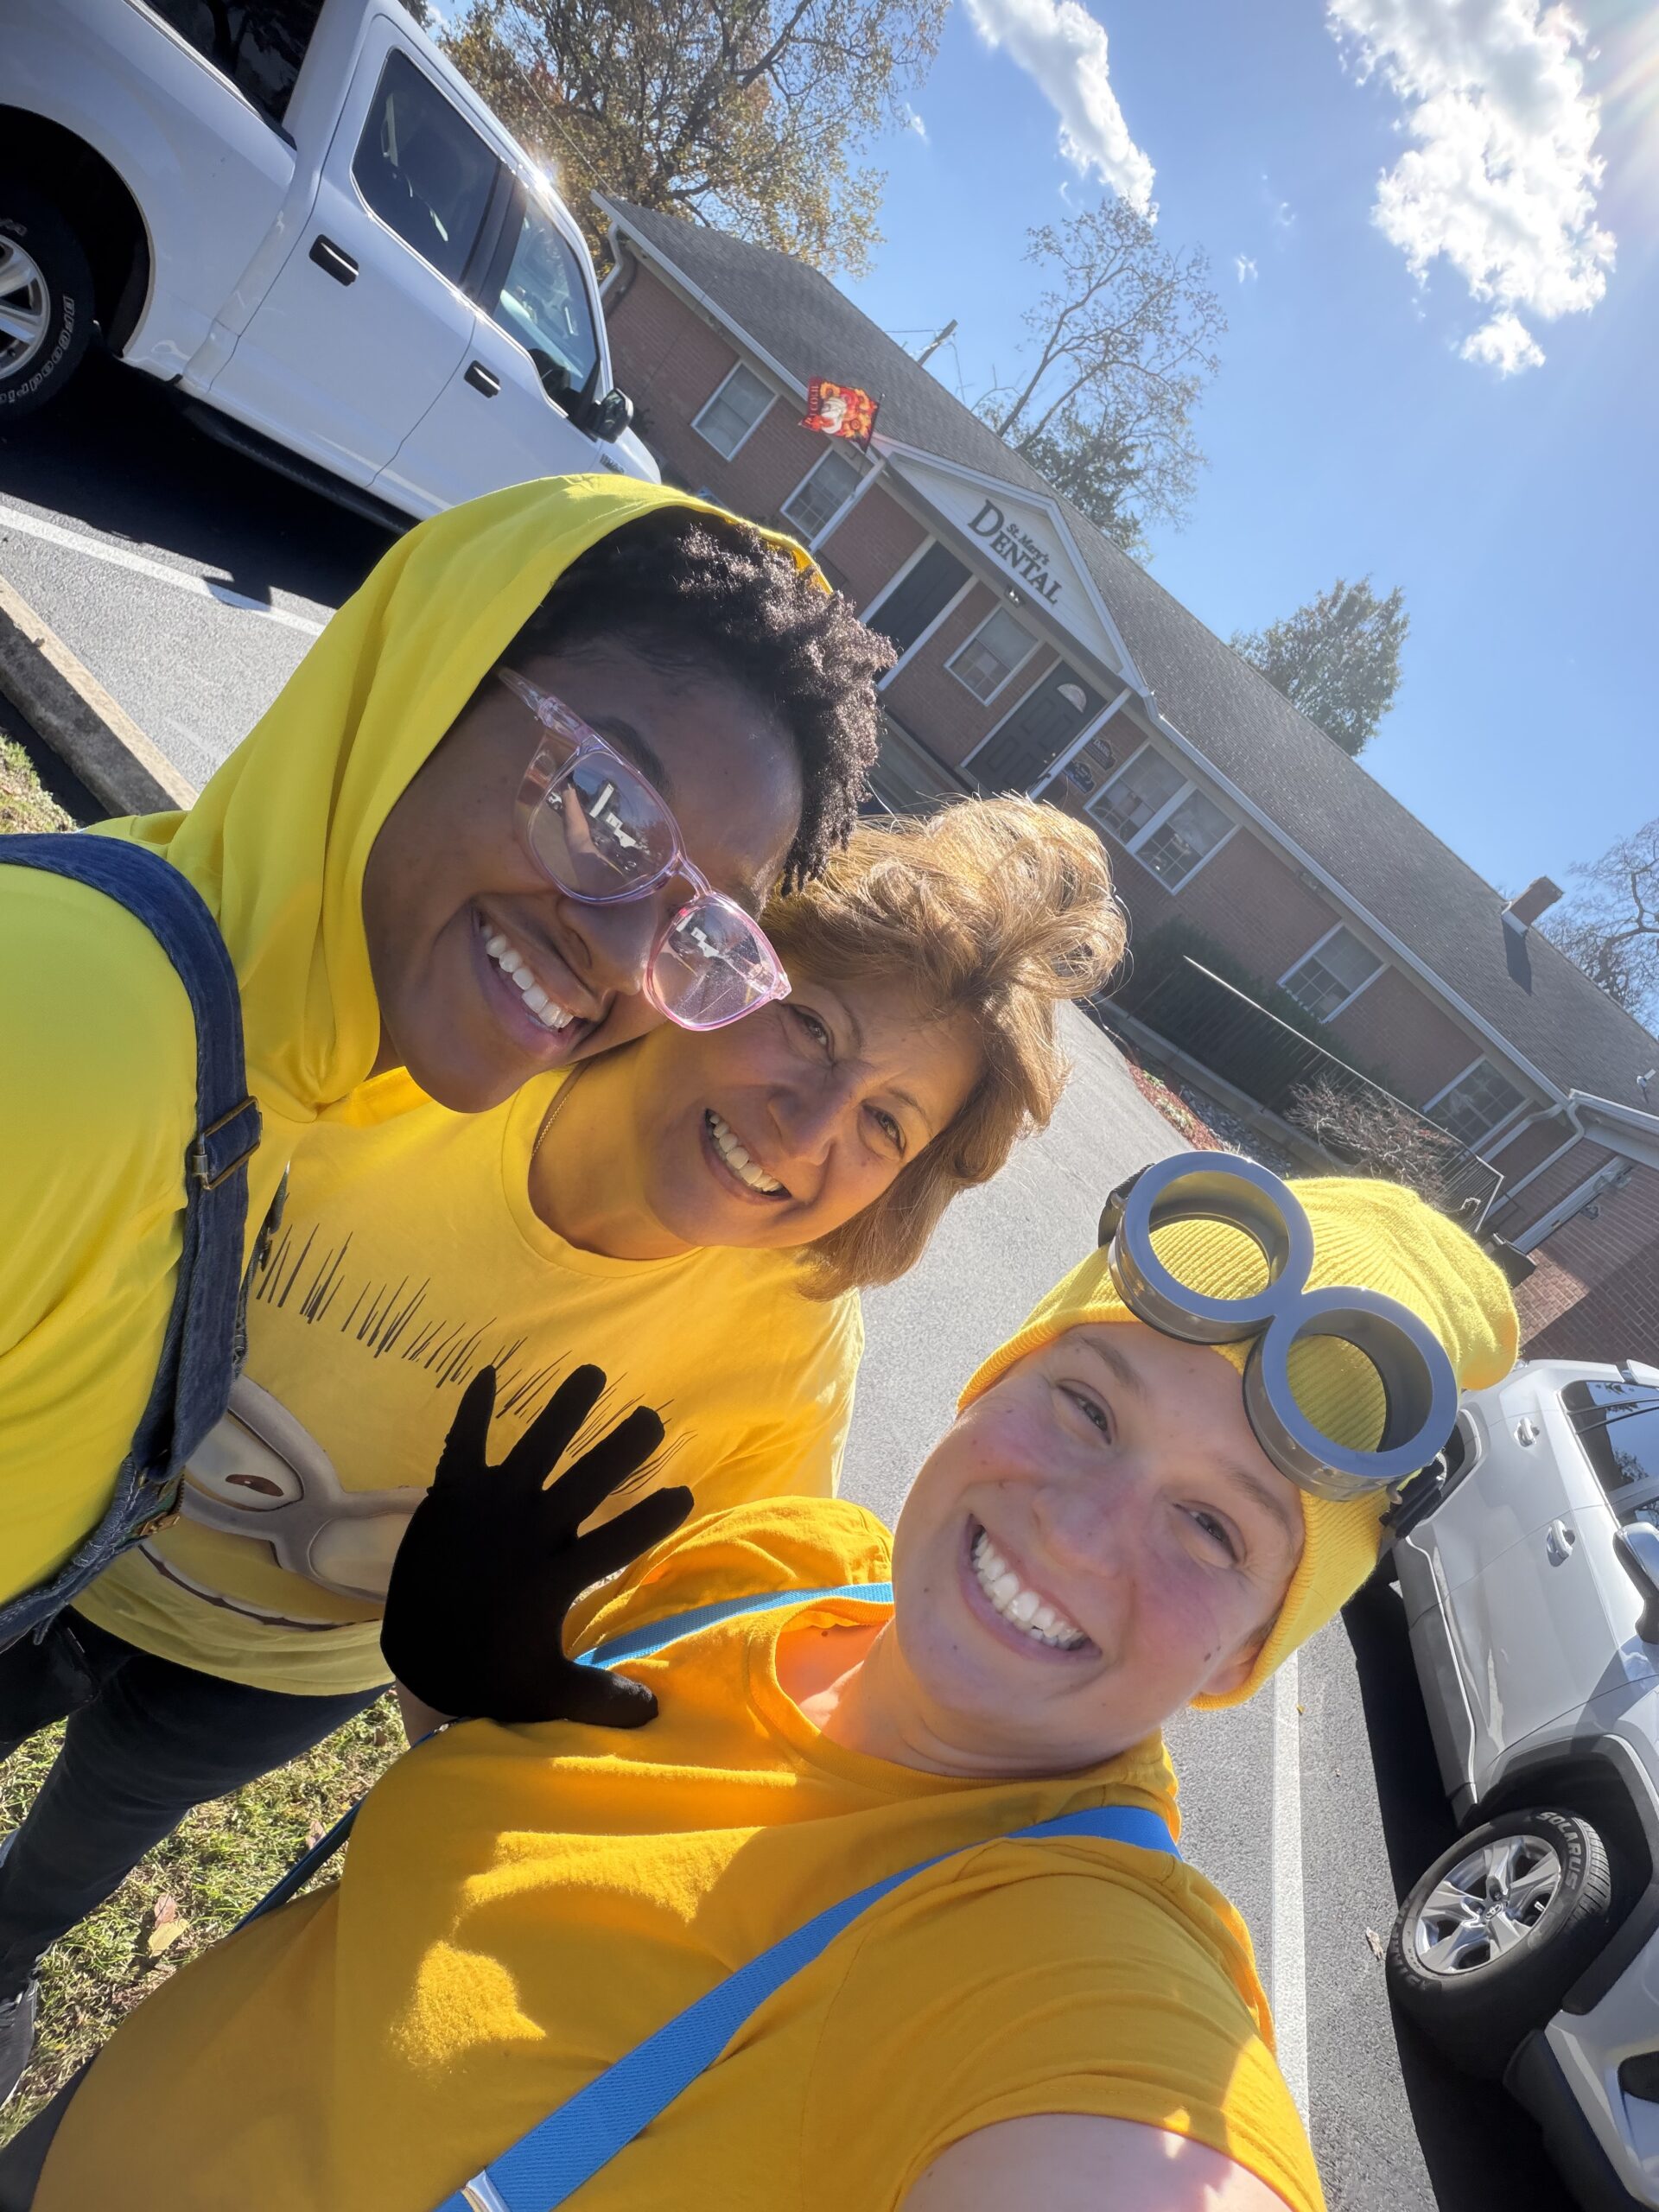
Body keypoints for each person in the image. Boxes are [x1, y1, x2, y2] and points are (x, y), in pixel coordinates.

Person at [8, 1166, 1518, 2210]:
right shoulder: (786, 1560)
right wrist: (465, 1689)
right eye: (1086, 1403)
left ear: (1251, 1651)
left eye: (1213, 1526)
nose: (1079, 1526)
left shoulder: (1071, 1964)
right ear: (988, 1381)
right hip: (81, 2129)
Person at [0, 796, 1126, 2101]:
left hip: (275, 1673)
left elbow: (672, 1729)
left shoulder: (780, 1377)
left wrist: (481, 1682)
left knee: (76, 1860)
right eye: (809, 1026)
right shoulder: (439, 1054)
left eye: (886, 1125)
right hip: (48, 1529)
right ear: (712, 969)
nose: (807, 1127)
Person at [0, 476, 887, 1632]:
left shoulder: (272, 1069)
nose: (627, 957)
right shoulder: (79, 1037)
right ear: (431, 676)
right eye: (607, 810)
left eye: (700, 924)